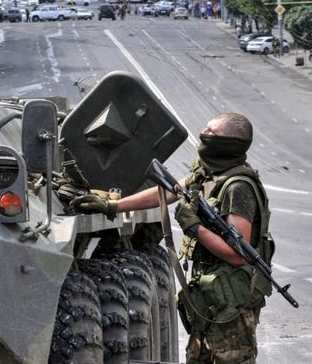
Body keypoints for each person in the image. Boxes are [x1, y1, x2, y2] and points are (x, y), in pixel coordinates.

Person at [113, 113, 274, 363]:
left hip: (230, 301)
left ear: (229, 143)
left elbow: (235, 253)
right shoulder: (208, 176)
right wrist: (113, 206)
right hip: (210, 295)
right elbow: (167, 192)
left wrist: (194, 227)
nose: (204, 134)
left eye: (212, 132)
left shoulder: (237, 187)